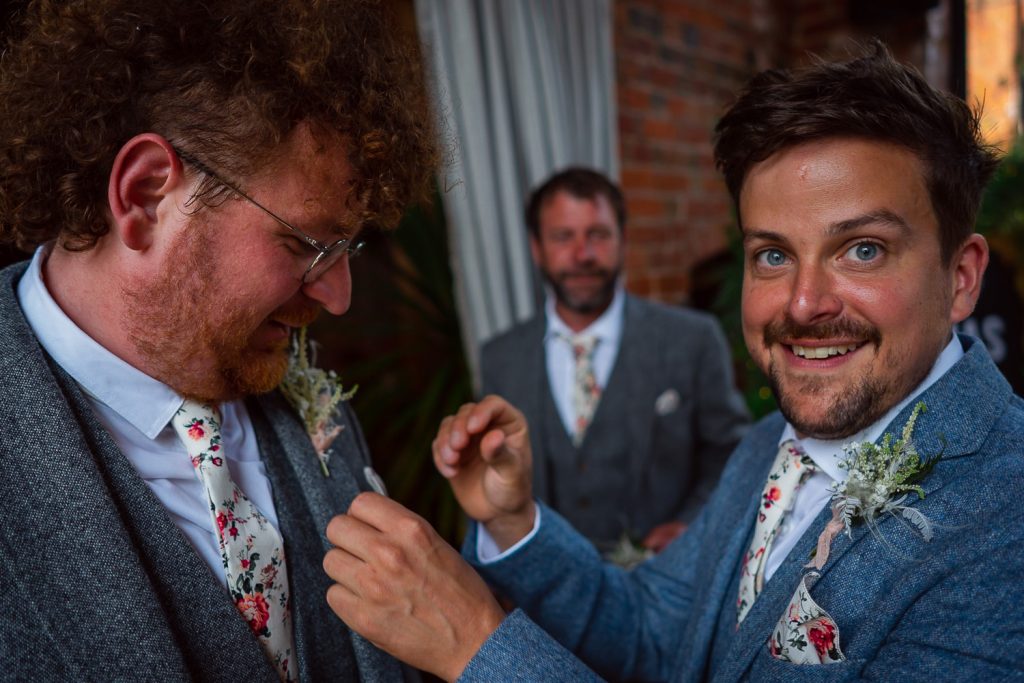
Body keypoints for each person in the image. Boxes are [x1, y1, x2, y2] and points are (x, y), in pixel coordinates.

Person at [322, 43, 1024, 681]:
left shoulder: (1007, 513)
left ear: (960, 277)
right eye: (773, 254)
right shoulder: (766, 447)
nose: (805, 301)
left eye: (862, 248)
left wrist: (478, 645)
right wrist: (515, 521)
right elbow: (656, 635)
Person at [0, 0, 437, 680]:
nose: (339, 297)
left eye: (345, 248)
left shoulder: (303, 388)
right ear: (146, 195)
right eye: (304, 244)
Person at [480, 167, 749, 554]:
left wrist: (688, 524)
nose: (582, 255)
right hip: (542, 590)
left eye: (598, 235)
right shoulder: (500, 358)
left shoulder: (692, 339)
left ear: (623, 241)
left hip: (659, 583)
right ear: (537, 248)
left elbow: (730, 453)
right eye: (562, 237)